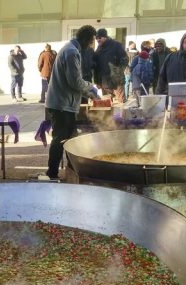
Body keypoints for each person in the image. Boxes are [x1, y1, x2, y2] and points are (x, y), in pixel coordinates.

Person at [45, 25, 100, 180]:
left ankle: (70, 172)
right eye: (90, 43)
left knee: (68, 138)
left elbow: (74, 81)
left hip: (63, 102)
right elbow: (75, 82)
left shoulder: (70, 49)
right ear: (85, 39)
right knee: (61, 139)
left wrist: (89, 93)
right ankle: (52, 173)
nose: (90, 46)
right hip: (62, 105)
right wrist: (91, 87)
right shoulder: (71, 52)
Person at [93, 28, 128, 103]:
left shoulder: (116, 45)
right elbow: (96, 66)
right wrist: (97, 81)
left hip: (117, 80)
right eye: (96, 38)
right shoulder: (99, 49)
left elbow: (125, 59)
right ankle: (110, 115)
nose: (98, 40)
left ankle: (120, 115)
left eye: (99, 38)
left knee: (120, 102)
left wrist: (118, 71)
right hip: (104, 82)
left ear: (105, 37)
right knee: (107, 104)